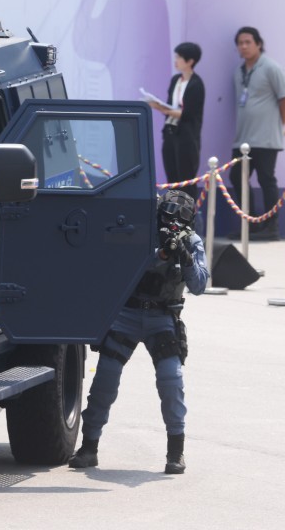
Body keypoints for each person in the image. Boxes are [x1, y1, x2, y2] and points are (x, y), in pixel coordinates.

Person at [69, 190, 208, 474]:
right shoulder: (141, 233)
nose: (173, 222)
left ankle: (175, 451)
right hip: (128, 314)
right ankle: (89, 446)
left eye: (180, 217)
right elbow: (114, 265)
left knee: (171, 380)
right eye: (168, 213)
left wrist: (185, 257)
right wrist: (156, 252)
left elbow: (199, 285)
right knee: (106, 379)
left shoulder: (191, 242)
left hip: (163, 317)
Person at [227, 27, 285, 241]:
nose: (243, 46)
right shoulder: (239, 72)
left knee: (266, 179)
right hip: (243, 137)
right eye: (240, 43)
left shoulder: (271, 67)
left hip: (266, 138)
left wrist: (278, 124)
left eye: (248, 42)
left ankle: (271, 227)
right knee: (236, 176)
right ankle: (252, 222)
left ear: (258, 44)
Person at [148, 42, 205, 199]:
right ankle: (173, 216)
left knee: (185, 179)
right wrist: (161, 106)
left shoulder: (196, 84)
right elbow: (171, 105)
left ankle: (188, 218)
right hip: (170, 132)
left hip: (187, 136)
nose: (176, 60)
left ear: (190, 61)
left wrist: (162, 108)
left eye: (179, 57)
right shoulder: (175, 80)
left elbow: (189, 114)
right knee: (172, 178)